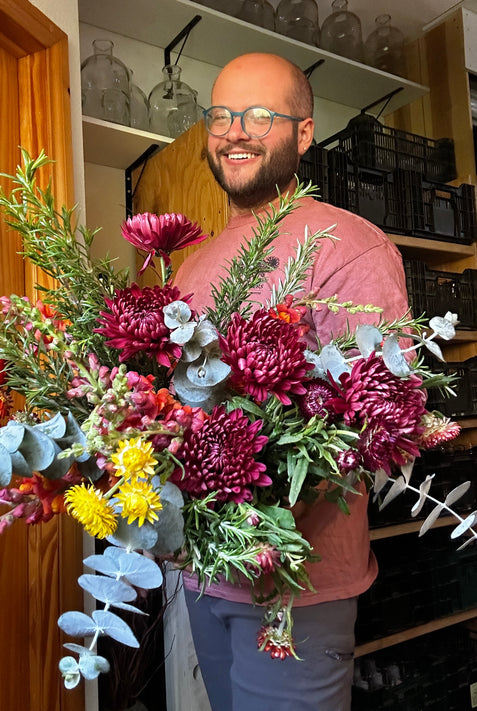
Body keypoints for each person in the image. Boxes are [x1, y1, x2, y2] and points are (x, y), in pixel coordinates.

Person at [173, 52, 410, 711]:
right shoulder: (190, 268)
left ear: (303, 133)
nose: (233, 131)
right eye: (220, 115)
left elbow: (377, 410)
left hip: (295, 593)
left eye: (257, 115)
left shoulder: (348, 246)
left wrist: (265, 529)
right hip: (202, 577)